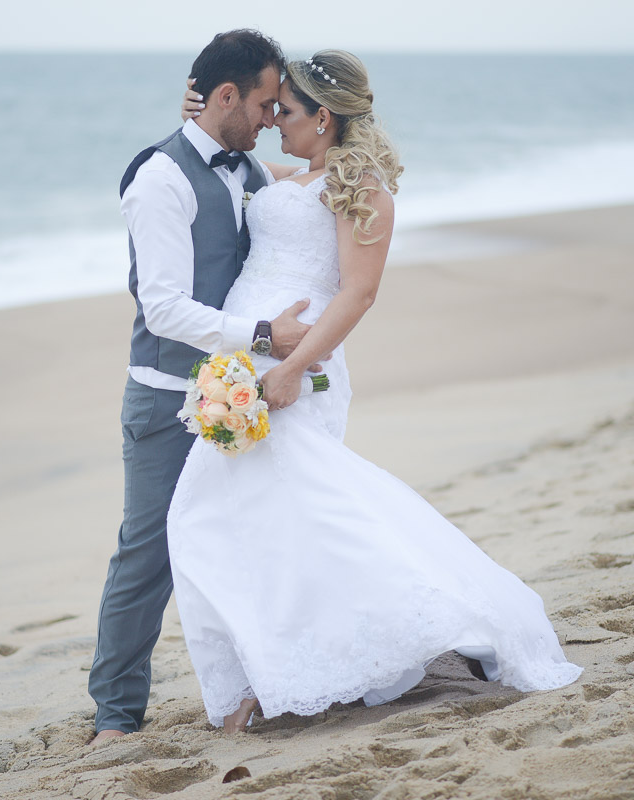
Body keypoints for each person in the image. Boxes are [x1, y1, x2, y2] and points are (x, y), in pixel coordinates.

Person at [166, 50, 584, 734]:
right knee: (258, 521)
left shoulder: (361, 187)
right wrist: (201, 119)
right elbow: (231, 166)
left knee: (252, 514)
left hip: (298, 373)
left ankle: (426, 628)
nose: (272, 122)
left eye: (286, 111)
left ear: (323, 117)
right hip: (246, 363)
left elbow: (359, 291)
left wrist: (295, 366)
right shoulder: (292, 175)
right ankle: (278, 669)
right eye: (268, 109)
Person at [87, 29, 332, 743]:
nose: (268, 119)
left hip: (244, 389)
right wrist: (264, 335)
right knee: (149, 553)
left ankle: (260, 685)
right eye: (261, 103)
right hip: (168, 395)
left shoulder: (249, 168)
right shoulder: (159, 179)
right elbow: (161, 306)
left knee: (252, 536)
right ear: (223, 96)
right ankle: (115, 715)